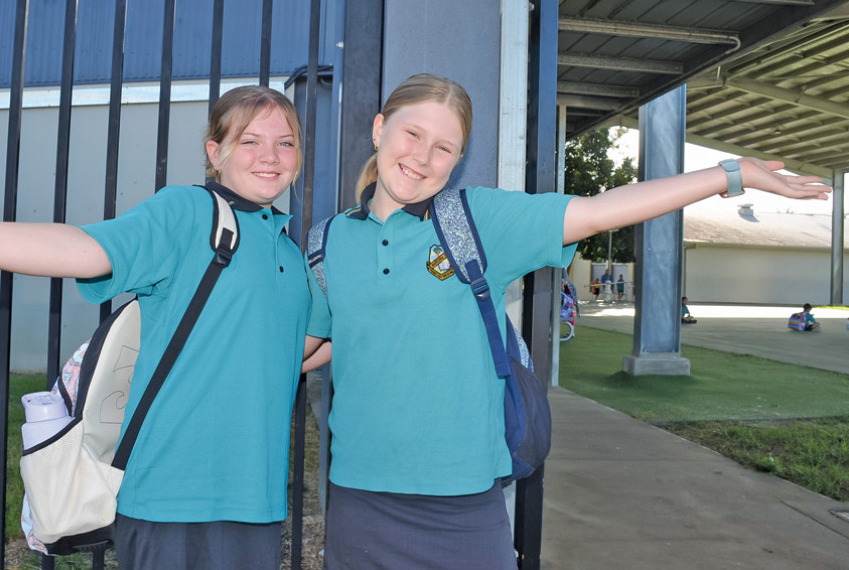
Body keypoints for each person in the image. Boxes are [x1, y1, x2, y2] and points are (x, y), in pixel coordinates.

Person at [300, 73, 830, 569]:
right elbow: (324, 341)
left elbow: (603, 209)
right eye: (412, 133)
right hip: (358, 500)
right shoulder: (328, 242)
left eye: (444, 147)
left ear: (458, 161)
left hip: (462, 506)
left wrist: (729, 175)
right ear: (379, 129)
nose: (421, 157)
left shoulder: (476, 220)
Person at [0, 85, 313, 569]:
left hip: (257, 502)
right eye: (250, 141)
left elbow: (299, 349)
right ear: (215, 153)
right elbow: (84, 248)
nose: (271, 156)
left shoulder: (286, 248)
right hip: (171, 498)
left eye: (285, 142)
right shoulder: (187, 213)